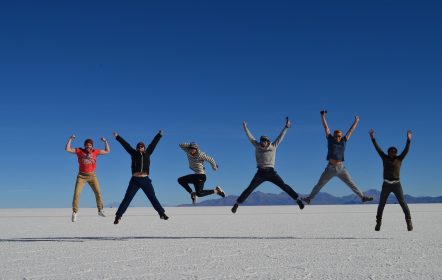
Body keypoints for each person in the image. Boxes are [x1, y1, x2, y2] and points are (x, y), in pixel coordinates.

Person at [231, 118, 304, 213]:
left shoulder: (273, 146)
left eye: (263, 142)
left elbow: (280, 137)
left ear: (267, 141)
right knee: (250, 188)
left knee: (284, 186)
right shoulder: (257, 145)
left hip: (271, 172)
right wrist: (245, 128)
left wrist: (286, 127)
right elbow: (250, 137)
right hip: (260, 172)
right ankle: (237, 204)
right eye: (261, 141)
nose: (261, 143)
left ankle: (298, 200)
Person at [302, 110, 373, 204]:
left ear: (341, 136)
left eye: (339, 136)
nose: (337, 137)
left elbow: (351, 131)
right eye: (336, 136)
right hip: (330, 168)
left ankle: (362, 197)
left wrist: (356, 121)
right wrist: (323, 117)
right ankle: (309, 198)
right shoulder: (330, 139)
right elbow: (326, 127)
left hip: (341, 168)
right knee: (320, 184)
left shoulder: (344, 140)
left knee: (351, 183)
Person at [112, 131, 168, 224]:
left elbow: (153, 143)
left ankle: (162, 213)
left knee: (152, 197)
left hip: (145, 179)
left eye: (141, 146)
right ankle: (118, 216)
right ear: (136, 148)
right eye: (138, 146)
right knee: (127, 198)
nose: (140, 148)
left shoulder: (148, 153)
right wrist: (117, 137)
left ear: (144, 148)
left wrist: (159, 135)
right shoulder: (133, 153)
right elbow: (126, 145)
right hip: (135, 180)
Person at [370, 129, 413, 231]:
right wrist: (373, 139)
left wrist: (408, 140)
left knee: (403, 203)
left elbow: (406, 150)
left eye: (394, 152)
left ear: (396, 153)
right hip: (386, 184)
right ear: (388, 152)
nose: (393, 153)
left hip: (397, 184)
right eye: (391, 151)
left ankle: (409, 221)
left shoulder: (399, 159)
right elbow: (378, 149)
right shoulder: (384, 158)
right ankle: (378, 222)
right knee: (381, 203)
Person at [65, 135, 110, 222]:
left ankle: (100, 210)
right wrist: (70, 139)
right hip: (81, 176)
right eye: (87, 145)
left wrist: (105, 142)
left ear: (92, 146)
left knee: (98, 192)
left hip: (92, 176)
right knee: (77, 194)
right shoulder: (79, 151)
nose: (88, 146)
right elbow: (67, 149)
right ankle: (75, 212)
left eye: (90, 145)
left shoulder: (95, 152)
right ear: (85, 145)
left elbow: (108, 151)